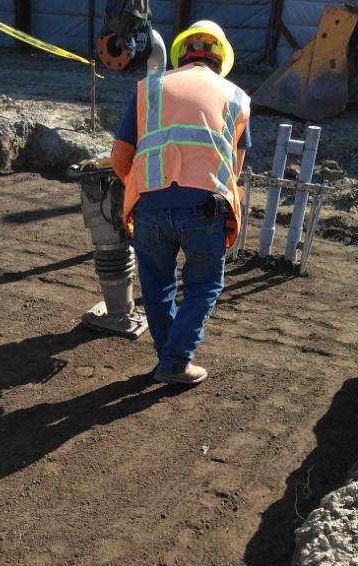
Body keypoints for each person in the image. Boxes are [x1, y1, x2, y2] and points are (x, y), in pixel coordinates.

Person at [111, 20, 251, 385]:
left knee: (157, 284)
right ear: (222, 57)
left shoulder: (149, 89)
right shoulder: (236, 97)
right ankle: (174, 362)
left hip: (149, 205)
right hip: (205, 205)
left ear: (181, 53)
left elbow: (119, 157)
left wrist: (144, 187)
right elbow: (233, 169)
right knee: (204, 284)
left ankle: (168, 358)